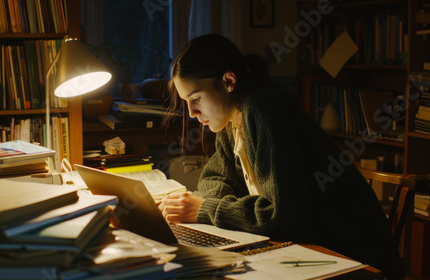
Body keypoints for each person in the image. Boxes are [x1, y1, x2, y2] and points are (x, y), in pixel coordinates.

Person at [159, 34, 401, 279]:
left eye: (196, 98)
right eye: (186, 102)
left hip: (351, 257)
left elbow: (281, 216)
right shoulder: (230, 120)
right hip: (306, 248)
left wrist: (205, 209)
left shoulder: (261, 109)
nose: (191, 113)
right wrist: (211, 206)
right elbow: (213, 180)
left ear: (228, 81)